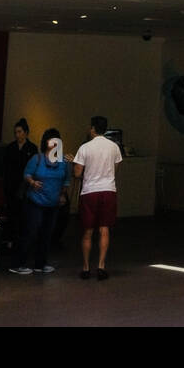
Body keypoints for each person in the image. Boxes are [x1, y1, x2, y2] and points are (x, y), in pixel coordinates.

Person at [9, 129, 72, 275]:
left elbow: (66, 181)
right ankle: (20, 263)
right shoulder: (37, 159)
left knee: (47, 234)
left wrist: (62, 195)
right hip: (35, 202)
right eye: (51, 141)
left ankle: (40, 264)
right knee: (31, 232)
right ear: (46, 143)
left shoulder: (63, 162)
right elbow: (26, 174)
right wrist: (32, 183)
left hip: (53, 203)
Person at [73, 116, 122, 280]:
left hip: (89, 191)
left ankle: (86, 267)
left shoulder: (84, 148)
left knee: (87, 231)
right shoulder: (114, 147)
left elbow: (77, 173)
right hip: (108, 190)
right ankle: (101, 266)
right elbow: (115, 169)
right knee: (104, 229)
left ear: (93, 128)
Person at [2, 119, 37, 247]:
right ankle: (12, 239)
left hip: (25, 186)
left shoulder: (32, 148)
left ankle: (23, 240)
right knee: (12, 214)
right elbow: (6, 167)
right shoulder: (10, 147)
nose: (17, 135)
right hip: (11, 185)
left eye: (19, 132)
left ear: (26, 133)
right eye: (15, 132)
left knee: (24, 214)